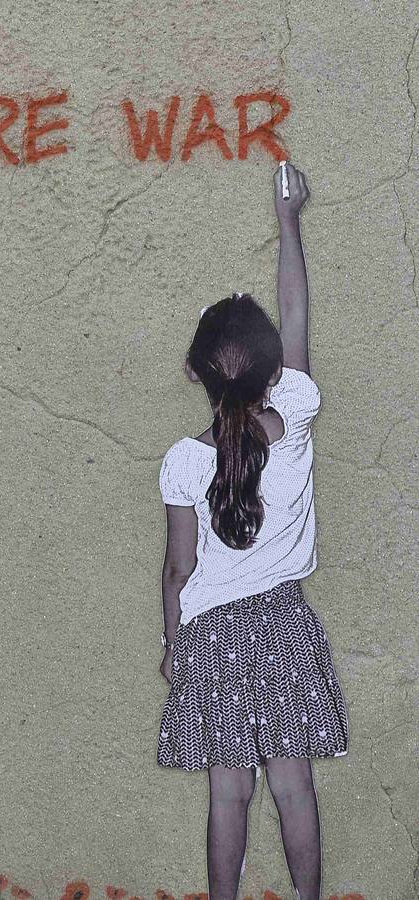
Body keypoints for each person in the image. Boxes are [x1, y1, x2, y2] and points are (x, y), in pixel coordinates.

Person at [155, 162, 348, 900]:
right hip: (282, 623)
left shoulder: (181, 460)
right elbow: (296, 320)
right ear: (272, 371)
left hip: (208, 634)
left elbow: (176, 571)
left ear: (192, 373)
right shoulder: (294, 419)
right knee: (293, 789)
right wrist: (288, 219)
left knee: (226, 794)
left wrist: (172, 647)